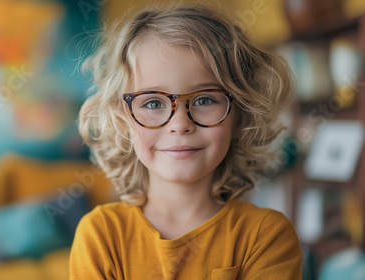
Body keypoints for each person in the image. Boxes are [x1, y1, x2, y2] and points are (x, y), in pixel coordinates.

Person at [70, 4, 302, 280]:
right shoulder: (100, 234)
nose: (180, 124)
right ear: (123, 121)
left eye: (205, 100)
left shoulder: (266, 236)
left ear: (240, 116)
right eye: (153, 103)